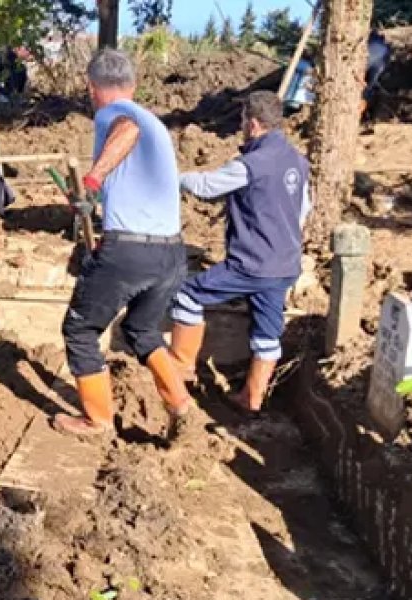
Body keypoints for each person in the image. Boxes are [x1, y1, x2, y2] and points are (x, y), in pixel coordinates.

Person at [53, 49, 193, 440]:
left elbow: (125, 128)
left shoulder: (114, 114)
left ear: (92, 87)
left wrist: (92, 182)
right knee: (142, 331)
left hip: (131, 251)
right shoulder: (157, 124)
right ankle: (181, 404)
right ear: (133, 84)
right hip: (171, 253)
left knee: (80, 330)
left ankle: (97, 421)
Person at [170, 91, 311, 414]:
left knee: (188, 296)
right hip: (284, 264)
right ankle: (252, 398)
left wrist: (175, 179)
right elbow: (303, 210)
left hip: (251, 264)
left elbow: (207, 187)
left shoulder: (253, 164)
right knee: (267, 332)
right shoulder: (297, 161)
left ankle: (180, 374)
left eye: (243, 121)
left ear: (254, 124)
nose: (241, 127)